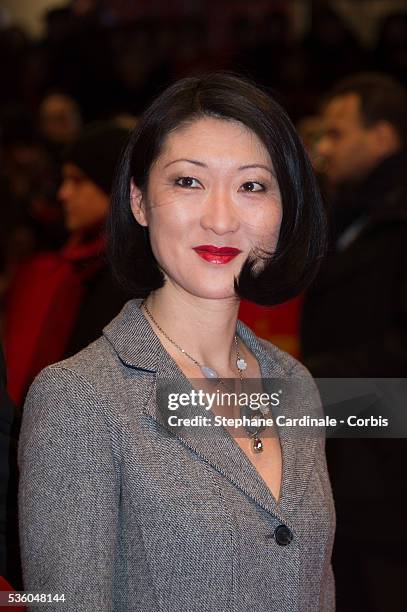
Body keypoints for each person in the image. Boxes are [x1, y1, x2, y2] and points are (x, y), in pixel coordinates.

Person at [18, 73, 335, 611]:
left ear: (285, 211)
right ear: (139, 200)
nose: (220, 217)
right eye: (189, 181)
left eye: (252, 186)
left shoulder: (292, 381)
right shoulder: (78, 399)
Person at [300, 73, 407, 611]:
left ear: (383, 137)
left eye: (338, 134)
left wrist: (306, 381)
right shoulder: (351, 213)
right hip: (354, 451)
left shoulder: (394, 222)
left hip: (389, 473)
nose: (323, 148)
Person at [4, 121, 131, 406]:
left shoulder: (130, 279)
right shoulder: (78, 264)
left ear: (112, 186)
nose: (63, 194)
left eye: (77, 181)